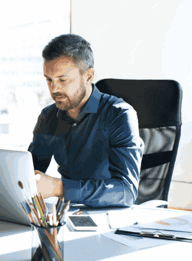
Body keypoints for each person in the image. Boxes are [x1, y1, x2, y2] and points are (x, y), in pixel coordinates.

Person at [29, 34, 144, 208]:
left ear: (88, 76)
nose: (54, 89)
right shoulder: (48, 117)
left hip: (111, 215)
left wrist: (60, 187)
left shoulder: (120, 115)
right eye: (49, 79)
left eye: (63, 79)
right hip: (67, 213)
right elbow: (29, 172)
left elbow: (126, 192)